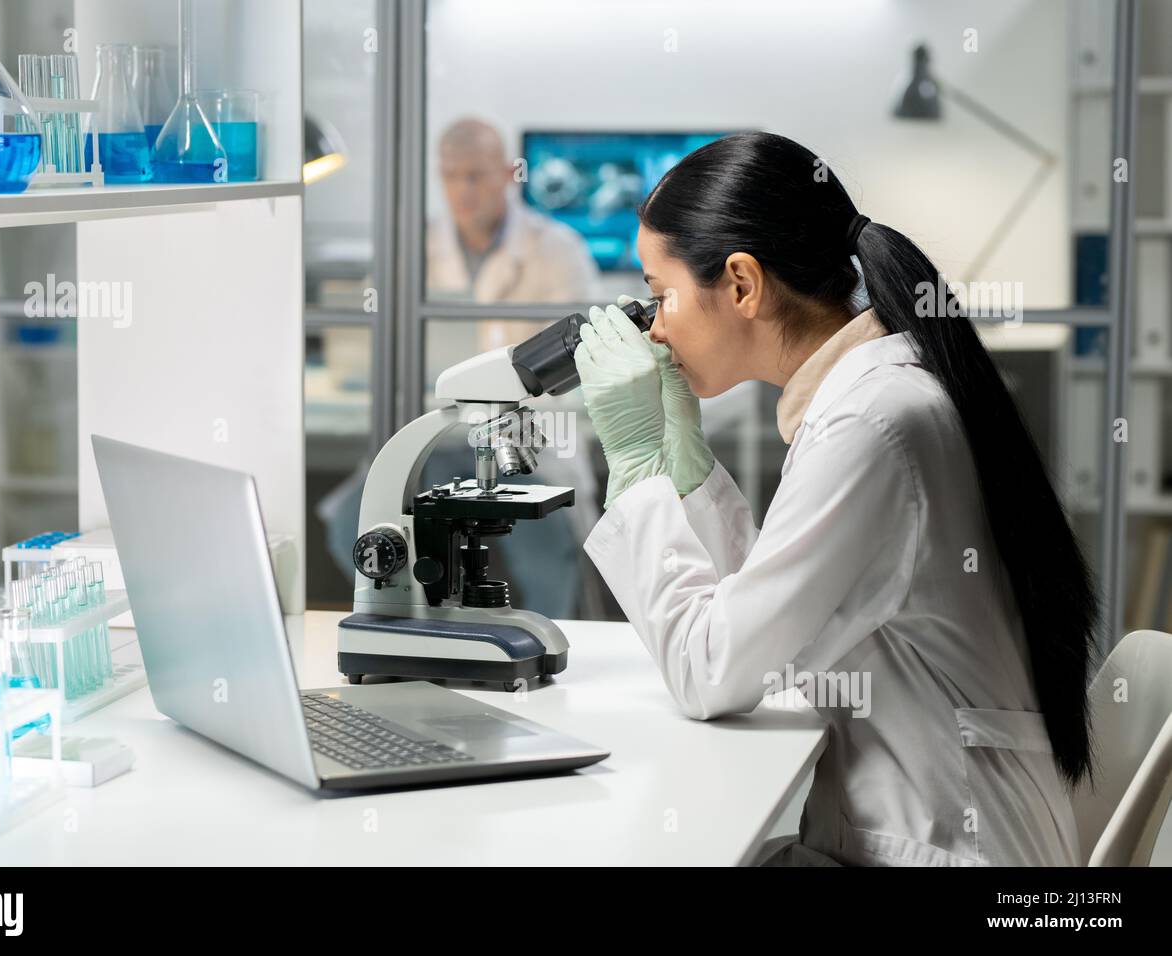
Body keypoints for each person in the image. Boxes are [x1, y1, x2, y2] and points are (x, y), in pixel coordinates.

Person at [574, 131, 1097, 867]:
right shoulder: (877, 395)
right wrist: (688, 473)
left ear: (743, 284)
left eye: (662, 298)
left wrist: (633, 467)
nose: (655, 329)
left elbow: (710, 672)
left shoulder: (873, 423)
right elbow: (769, 621)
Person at [427, 117, 598, 314]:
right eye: (450, 175)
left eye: (475, 176)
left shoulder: (561, 249)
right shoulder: (417, 248)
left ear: (509, 174)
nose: (462, 190)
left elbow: (579, 336)